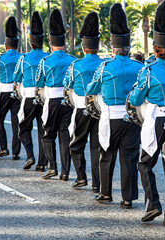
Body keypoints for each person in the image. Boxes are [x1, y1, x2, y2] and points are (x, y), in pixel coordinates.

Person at [129, 0, 165, 227]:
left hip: (157, 121)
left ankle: (153, 203)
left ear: (155, 48)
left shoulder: (148, 70)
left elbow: (135, 100)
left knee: (145, 164)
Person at [86, 3, 143, 208]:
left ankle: (105, 193)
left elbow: (91, 89)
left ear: (113, 48)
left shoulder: (105, 67)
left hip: (111, 117)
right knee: (129, 157)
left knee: (106, 154)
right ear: (127, 48)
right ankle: (128, 197)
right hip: (132, 117)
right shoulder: (139, 66)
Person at [36, 9, 76, 180]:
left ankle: (52, 166)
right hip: (68, 100)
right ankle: (65, 172)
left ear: (51, 45)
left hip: (52, 100)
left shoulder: (45, 61)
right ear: (64, 45)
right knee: (64, 135)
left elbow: (39, 82)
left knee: (48, 134)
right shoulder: (73, 60)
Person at [64, 12, 103, 190]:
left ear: (83, 48)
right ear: (97, 45)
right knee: (96, 147)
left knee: (76, 144)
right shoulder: (104, 64)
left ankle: (81, 177)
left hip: (81, 108)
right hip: (101, 109)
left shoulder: (75, 65)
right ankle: (97, 183)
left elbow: (67, 84)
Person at [13, 11, 49, 171]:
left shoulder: (23, 58)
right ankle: (42, 163)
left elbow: (16, 76)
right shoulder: (47, 57)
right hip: (44, 97)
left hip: (28, 98)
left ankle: (30, 155)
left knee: (23, 127)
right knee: (43, 130)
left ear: (31, 43)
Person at [0, 16, 22, 160]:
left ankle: (4, 148)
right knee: (16, 122)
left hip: (3, 92)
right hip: (17, 92)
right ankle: (16, 151)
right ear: (17, 45)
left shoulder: (0, 58)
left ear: (5, 45)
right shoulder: (22, 57)